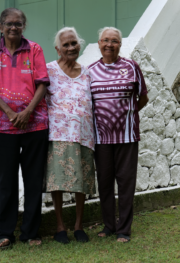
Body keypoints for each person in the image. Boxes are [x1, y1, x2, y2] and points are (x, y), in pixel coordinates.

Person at [0, 8, 49, 249]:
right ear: (0, 26)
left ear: (23, 26)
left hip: (35, 125)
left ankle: (30, 233)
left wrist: (27, 111)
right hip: (1, 127)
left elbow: (42, 84)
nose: (13, 28)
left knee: (33, 181)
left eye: (18, 24)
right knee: (6, 182)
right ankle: (2, 233)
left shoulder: (34, 49)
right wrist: (9, 112)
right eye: (9, 24)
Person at [88, 27, 149, 243]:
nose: (109, 45)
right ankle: (108, 225)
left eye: (114, 41)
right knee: (104, 182)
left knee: (125, 182)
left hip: (127, 137)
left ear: (120, 44)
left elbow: (142, 97)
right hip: (101, 138)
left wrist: (127, 115)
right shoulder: (91, 71)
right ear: (99, 43)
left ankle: (124, 229)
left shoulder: (132, 67)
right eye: (105, 40)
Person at [45, 27, 95, 244]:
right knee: (58, 181)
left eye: (74, 43)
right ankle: (59, 226)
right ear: (58, 48)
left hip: (84, 135)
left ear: (80, 44)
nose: (71, 47)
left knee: (81, 181)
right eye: (66, 44)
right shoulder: (48, 70)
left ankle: (78, 226)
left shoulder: (87, 72)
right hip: (58, 134)